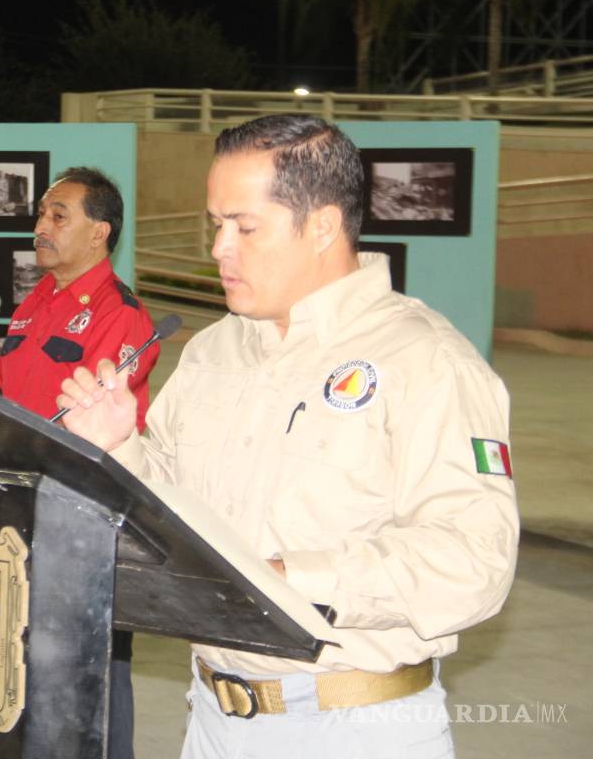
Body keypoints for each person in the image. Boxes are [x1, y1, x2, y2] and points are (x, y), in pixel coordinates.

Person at [57, 114, 519, 759]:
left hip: (354, 727)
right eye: (216, 224)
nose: (220, 248)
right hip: (213, 718)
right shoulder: (215, 350)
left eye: (245, 227)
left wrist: (288, 578)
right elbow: (173, 509)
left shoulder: (426, 360)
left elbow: (475, 561)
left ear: (323, 224)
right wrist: (120, 445)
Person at [0, 166, 159, 759]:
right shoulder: (35, 303)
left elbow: (98, 437)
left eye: (59, 215)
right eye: (40, 214)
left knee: (93, 693)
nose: (41, 226)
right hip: (14, 520)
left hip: (81, 528)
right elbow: (0, 396)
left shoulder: (122, 316)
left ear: (99, 232)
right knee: (24, 686)